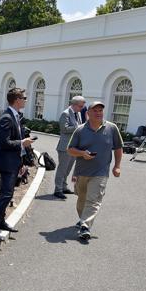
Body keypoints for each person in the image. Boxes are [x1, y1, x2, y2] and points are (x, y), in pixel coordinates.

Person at [67, 100, 123, 241]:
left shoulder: (112, 128)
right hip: (82, 172)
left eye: (100, 110)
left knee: (94, 200)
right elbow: (70, 150)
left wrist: (117, 166)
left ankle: (85, 226)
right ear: (88, 113)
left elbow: (118, 148)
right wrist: (82, 153)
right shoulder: (80, 130)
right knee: (82, 200)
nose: (99, 113)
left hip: (101, 172)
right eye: (95, 111)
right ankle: (83, 220)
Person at [0, 87, 33, 232]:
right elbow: (3, 142)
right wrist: (23, 143)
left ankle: (0, 220)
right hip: (7, 163)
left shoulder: (15, 116)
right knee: (5, 194)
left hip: (14, 161)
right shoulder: (6, 118)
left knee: (7, 193)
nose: (26, 100)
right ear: (17, 100)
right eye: (24, 98)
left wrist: (21, 162)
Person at [54, 95, 86, 199]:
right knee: (62, 169)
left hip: (74, 148)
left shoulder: (78, 113)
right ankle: (57, 190)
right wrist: (79, 127)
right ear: (74, 104)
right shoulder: (65, 113)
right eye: (81, 106)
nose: (82, 108)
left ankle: (63, 186)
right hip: (65, 147)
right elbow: (64, 129)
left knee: (68, 169)